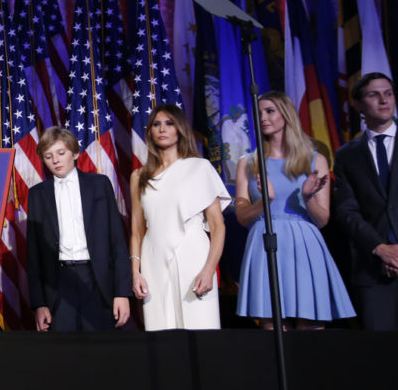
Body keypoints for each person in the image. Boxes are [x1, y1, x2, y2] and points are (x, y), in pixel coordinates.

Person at [235, 92, 355, 328]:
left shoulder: (315, 160)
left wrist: (308, 197)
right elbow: (241, 216)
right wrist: (264, 203)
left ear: (287, 115)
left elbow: (323, 219)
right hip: (264, 243)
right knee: (272, 328)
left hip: (304, 246)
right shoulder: (248, 162)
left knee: (310, 328)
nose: (263, 117)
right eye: (259, 113)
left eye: (270, 111)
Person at [130, 104, 230, 330]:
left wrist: (209, 269)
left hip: (194, 256)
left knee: (201, 330)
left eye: (169, 123)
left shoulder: (200, 167)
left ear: (180, 129)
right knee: (161, 333)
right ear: (150, 132)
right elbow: (136, 231)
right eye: (156, 124)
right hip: (153, 257)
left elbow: (217, 226)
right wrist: (135, 272)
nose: (162, 129)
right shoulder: (139, 176)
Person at [26, 127, 131, 331]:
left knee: (101, 353)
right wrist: (39, 303)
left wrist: (122, 292)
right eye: (48, 156)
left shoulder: (99, 184)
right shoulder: (37, 194)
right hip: (58, 285)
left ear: (75, 153)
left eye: (61, 153)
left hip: (97, 281)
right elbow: (33, 253)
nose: (55, 160)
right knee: (65, 355)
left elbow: (116, 240)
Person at [333, 72, 398, 330]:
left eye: (389, 93)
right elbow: (347, 211)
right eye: (374, 95)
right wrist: (381, 249)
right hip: (373, 271)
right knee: (381, 358)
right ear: (358, 105)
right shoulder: (347, 155)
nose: (384, 100)